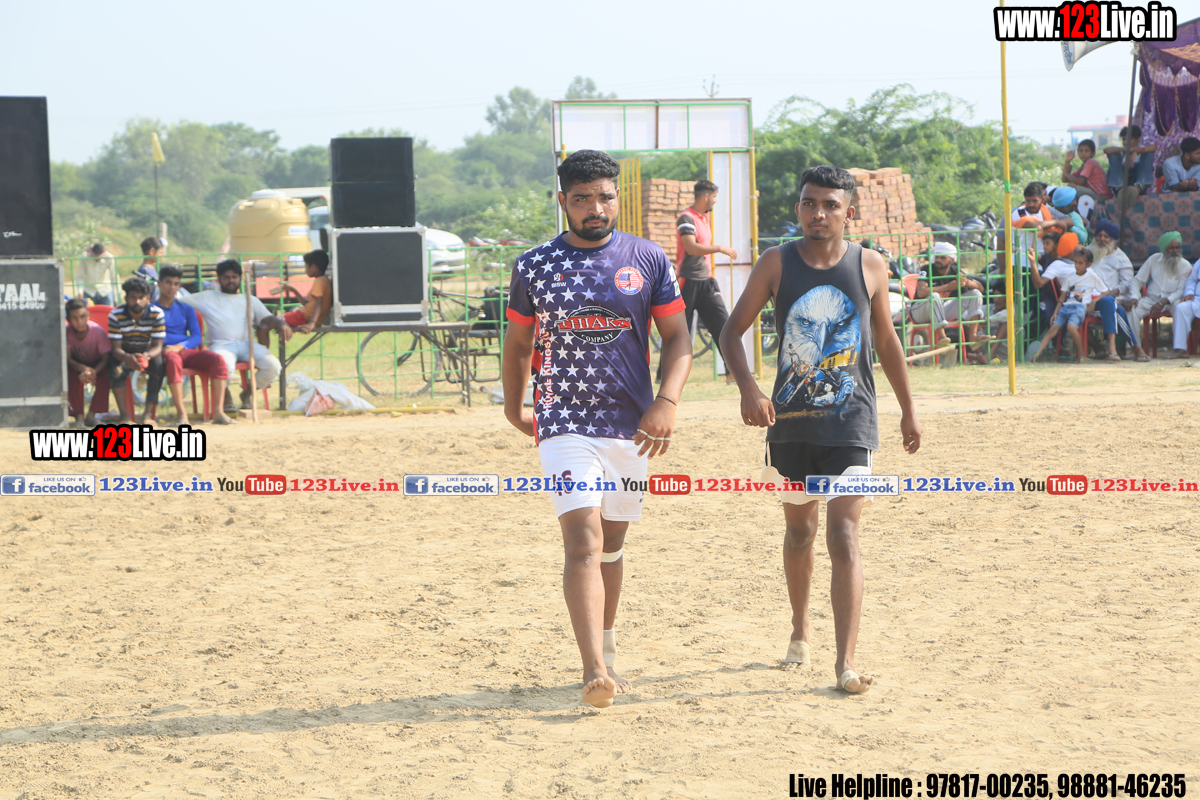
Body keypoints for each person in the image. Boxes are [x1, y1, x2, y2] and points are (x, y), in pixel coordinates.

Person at [719, 165, 923, 694]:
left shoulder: (870, 265)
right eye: (810, 203)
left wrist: (908, 408)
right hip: (789, 427)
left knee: (843, 534)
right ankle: (799, 628)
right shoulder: (776, 263)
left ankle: (845, 663)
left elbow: (886, 341)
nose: (819, 213)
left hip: (852, 424)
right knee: (800, 533)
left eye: (831, 205)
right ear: (798, 209)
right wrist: (749, 390)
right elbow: (731, 332)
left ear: (848, 212)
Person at [500, 150, 691, 709]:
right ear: (563, 201)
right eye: (582, 198)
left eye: (604, 196)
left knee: (612, 543)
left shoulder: (648, 258)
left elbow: (678, 338)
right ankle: (594, 670)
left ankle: (607, 647)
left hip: (632, 427)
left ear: (616, 198)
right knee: (583, 541)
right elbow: (518, 344)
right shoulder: (533, 265)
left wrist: (666, 402)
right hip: (564, 421)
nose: (595, 208)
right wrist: (515, 407)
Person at [180, 259, 292, 409]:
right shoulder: (207, 297)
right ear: (219, 279)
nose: (231, 281)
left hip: (247, 345)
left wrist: (281, 323)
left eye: (234, 277)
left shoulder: (250, 300)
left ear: (240, 278)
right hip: (221, 345)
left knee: (273, 366)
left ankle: (247, 393)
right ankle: (225, 395)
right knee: (224, 365)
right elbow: (178, 301)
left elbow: (268, 319)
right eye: (226, 277)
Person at [157, 264, 234, 425]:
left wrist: (180, 346)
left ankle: (218, 412)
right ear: (159, 283)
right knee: (173, 361)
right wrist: (167, 348)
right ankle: (182, 414)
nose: (172, 287)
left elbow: (197, 337)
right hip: (165, 352)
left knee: (218, 360)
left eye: (176, 283)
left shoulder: (185, 308)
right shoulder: (151, 309)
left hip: (185, 350)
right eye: (168, 282)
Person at [675, 179, 737, 373]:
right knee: (679, 331)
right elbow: (692, 248)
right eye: (715, 197)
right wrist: (719, 248)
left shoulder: (703, 218)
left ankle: (732, 373)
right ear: (706, 196)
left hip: (707, 282)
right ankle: (664, 375)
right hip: (688, 281)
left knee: (724, 326)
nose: (716, 201)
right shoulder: (686, 218)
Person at [1025, 247, 1108, 363]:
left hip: (1079, 307)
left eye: (1080, 263)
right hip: (1066, 306)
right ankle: (1035, 355)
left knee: (1071, 327)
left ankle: (1082, 355)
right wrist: (1055, 312)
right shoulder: (1070, 276)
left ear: (1088, 265)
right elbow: (1063, 296)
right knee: (1052, 329)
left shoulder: (1091, 275)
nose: (1077, 265)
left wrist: (1093, 302)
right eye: (1075, 262)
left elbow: (1106, 291)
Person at [108, 276, 166, 424]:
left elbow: (158, 347)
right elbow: (116, 349)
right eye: (133, 297)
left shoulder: (157, 313)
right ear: (126, 298)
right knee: (116, 370)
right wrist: (128, 358)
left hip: (147, 350)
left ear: (148, 298)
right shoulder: (115, 315)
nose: (137, 302)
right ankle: (125, 416)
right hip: (124, 351)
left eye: (141, 298)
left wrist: (145, 356)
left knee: (159, 365)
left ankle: (147, 415)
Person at [915, 242, 989, 356]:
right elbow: (921, 292)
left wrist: (966, 282)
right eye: (937, 257)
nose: (938, 260)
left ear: (951, 260)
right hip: (920, 311)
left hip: (940, 312)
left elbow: (981, 288)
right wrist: (948, 287)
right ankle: (942, 338)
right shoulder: (926, 269)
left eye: (943, 258)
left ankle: (973, 337)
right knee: (935, 296)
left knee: (975, 293)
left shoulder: (955, 271)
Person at [1088, 219, 1146, 361]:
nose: (1102, 239)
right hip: (1089, 302)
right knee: (1116, 309)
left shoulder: (1121, 258)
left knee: (1109, 302)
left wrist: (1107, 295)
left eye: (1106, 237)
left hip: (1110, 299)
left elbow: (1126, 284)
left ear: (1112, 239)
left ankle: (1114, 349)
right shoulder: (1088, 252)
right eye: (1099, 235)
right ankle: (1132, 348)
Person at [1130, 232, 1191, 355]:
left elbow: (1180, 291)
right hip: (1151, 299)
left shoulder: (1185, 266)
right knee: (1132, 309)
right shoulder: (1153, 259)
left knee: (1180, 308)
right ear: (1163, 249)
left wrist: (1164, 301)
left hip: (1172, 300)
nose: (1175, 251)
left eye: (1177, 247)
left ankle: (1179, 349)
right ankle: (1135, 349)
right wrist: (1134, 297)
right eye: (1171, 248)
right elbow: (1137, 281)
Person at [65, 298, 111, 425]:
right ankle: (78, 416)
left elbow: (106, 358)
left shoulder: (97, 331)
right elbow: (67, 359)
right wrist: (83, 369)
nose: (79, 321)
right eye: (75, 318)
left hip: (97, 364)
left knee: (107, 374)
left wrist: (93, 372)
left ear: (88, 316)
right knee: (69, 375)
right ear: (68, 319)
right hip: (76, 365)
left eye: (82, 316)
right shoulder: (66, 332)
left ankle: (92, 415)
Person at [278, 250, 332, 333]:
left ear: (313, 267)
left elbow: (319, 303)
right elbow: (306, 303)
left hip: (303, 317)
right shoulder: (324, 280)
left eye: (306, 267)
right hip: (305, 317)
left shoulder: (319, 281)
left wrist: (312, 323)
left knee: (272, 320)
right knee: (277, 321)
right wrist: (293, 290)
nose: (305, 270)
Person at [1104, 125, 1156, 192]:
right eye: (1124, 139)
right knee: (1113, 154)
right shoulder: (1121, 152)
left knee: (1148, 154)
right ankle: (1119, 188)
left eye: (1129, 139)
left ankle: (1139, 186)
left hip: (1138, 188)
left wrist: (1136, 152)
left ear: (1138, 140)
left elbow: (1154, 147)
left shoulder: (1142, 150)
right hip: (1122, 188)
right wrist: (1127, 149)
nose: (1125, 142)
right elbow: (1106, 150)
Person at [1061, 138, 1113, 203]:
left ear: (1093, 153)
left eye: (1086, 151)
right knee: (1072, 184)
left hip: (1101, 195)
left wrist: (1067, 174)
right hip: (1099, 194)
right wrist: (1067, 161)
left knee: (1072, 186)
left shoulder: (1091, 162)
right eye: (1081, 151)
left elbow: (1080, 181)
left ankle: (1074, 205)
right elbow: (1064, 180)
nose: (1083, 153)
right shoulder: (1083, 166)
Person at [1169, 255, 1200, 359]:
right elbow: (1192, 280)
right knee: (1181, 308)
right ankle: (1180, 349)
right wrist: (1190, 292)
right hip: (1197, 299)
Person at [134, 237, 165, 302]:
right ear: (152, 251)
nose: (161, 256)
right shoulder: (145, 270)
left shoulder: (152, 268)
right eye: (160, 253)